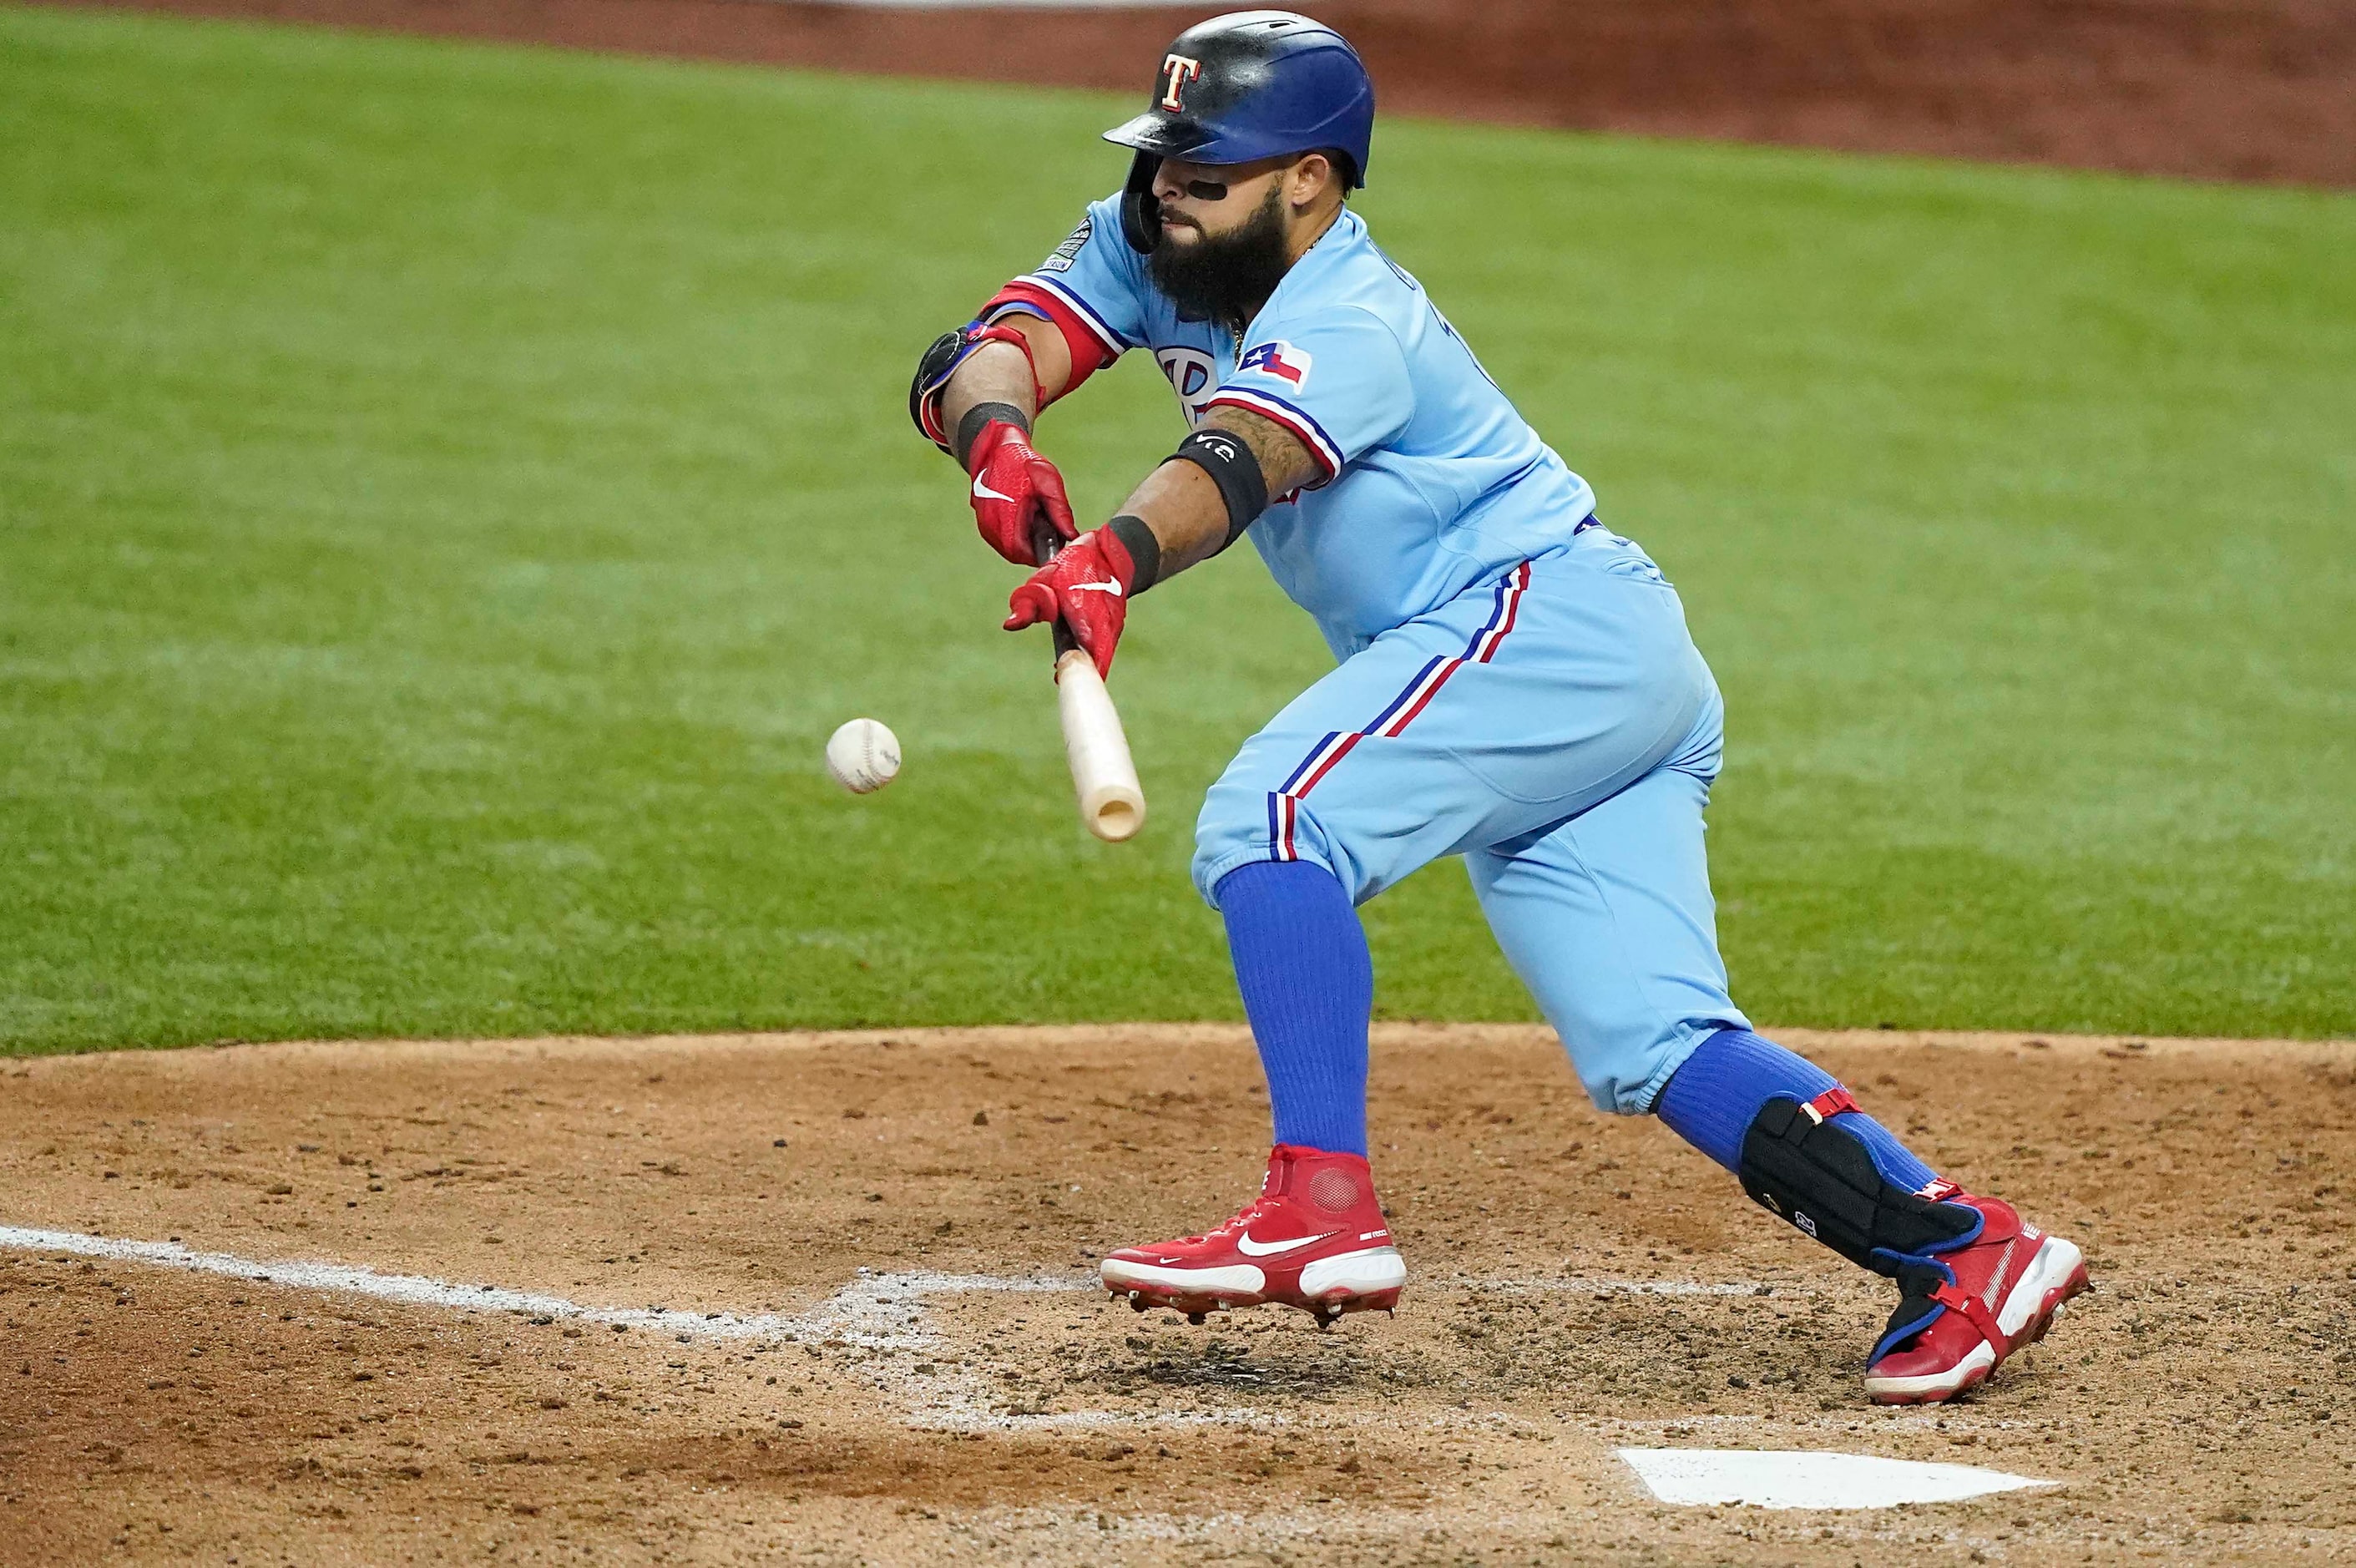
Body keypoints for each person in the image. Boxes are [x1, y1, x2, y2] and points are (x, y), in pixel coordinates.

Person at [908, 10, 2085, 1405]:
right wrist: (996, 438)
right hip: (1584, 668)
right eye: (1163, 154)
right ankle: (1966, 1251)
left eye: (1204, 165)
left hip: (1542, 624)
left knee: (1273, 822)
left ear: (1309, 180)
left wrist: (1114, 556)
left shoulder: (1351, 313)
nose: (1168, 184)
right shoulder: (1156, 242)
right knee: (1651, 1037)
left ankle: (1319, 1213)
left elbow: (1240, 459)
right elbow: (985, 348)